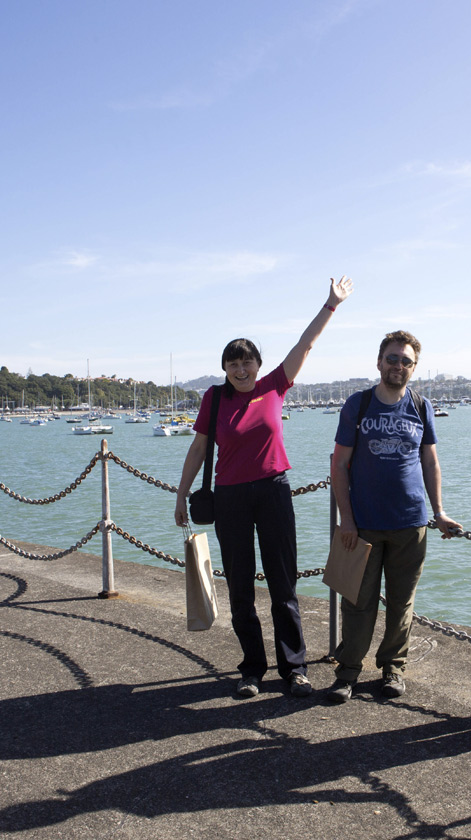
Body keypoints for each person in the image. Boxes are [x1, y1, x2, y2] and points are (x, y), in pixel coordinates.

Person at [174, 276, 354, 699]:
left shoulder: (275, 385)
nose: (241, 369)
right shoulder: (214, 399)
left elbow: (305, 345)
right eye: (233, 364)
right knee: (240, 587)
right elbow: (199, 447)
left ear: (258, 363)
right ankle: (252, 669)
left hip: (274, 491)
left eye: (247, 361)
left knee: (282, 583)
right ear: (224, 369)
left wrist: (331, 304)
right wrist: (181, 494)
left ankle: (295, 668)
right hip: (231, 498)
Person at [327, 330, 463, 703]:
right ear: (378, 361)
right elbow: (339, 464)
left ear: (414, 367)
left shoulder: (421, 406)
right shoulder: (357, 405)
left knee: (402, 602)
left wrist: (438, 512)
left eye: (406, 361)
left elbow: (429, 460)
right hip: (364, 524)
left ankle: (393, 668)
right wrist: (347, 519)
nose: (398, 365)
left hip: (410, 523)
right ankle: (348, 671)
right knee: (357, 602)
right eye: (392, 358)